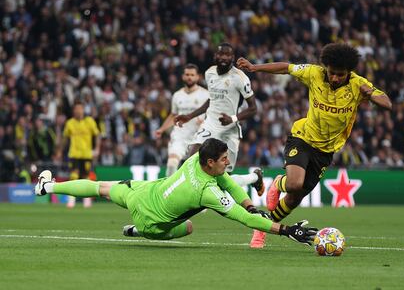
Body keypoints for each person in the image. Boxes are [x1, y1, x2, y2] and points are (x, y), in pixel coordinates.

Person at [237, 43, 392, 248]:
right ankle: (278, 183)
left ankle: (262, 227)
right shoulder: (314, 73)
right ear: (325, 67)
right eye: (332, 73)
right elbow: (287, 67)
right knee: (294, 184)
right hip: (303, 138)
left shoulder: (358, 84)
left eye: (340, 74)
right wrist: (255, 67)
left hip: (326, 151)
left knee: (294, 199)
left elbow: (387, 104)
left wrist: (370, 93)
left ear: (349, 72)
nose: (335, 78)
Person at [35, 138, 317, 245]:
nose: (227, 163)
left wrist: (248, 202)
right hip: (151, 221)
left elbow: (228, 181)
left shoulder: (195, 158)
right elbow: (246, 221)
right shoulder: (207, 193)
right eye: (223, 160)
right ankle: (138, 231)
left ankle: (48, 186)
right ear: (210, 162)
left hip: (144, 193)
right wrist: (286, 230)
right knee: (190, 226)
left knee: (100, 188)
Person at [174, 43, 265, 196]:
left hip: (229, 129)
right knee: (192, 156)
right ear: (215, 56)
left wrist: (233, 118)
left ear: (233, 58)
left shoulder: (240, 78)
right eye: (221, 54)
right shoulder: (209, 73)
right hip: (210, 124)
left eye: (227, 55)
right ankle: (186, 195)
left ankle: (255, 177)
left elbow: (253, 108)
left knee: (224, 180)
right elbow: (212, 100)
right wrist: (189, 116)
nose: (223, 57)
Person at [155, 64, 209, 176]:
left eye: (192, 75)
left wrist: (204, 121)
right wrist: (162, 129)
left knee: (196, 171)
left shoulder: (205, 95)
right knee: (172, 162)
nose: (189, 77)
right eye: (187, 74)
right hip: (180, 136)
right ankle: (168, 190)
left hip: (198, 138)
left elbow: (211, 115)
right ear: (183, 76)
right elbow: (173, 115)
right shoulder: (177, 95)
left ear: (197, 77)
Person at [61, 101, 101, 208]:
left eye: (80, 109)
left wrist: (97, 148)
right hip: (74, 154)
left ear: (83, 110)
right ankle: (71, 200)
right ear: (73, 111)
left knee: (86, 177)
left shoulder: (90, 121)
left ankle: (87, 201)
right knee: (73, 176)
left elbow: (97, 135)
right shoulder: (70, 123)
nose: (78, 111)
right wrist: (60, 151)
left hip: (86, 154)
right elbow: (65, 138)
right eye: (76, 109)